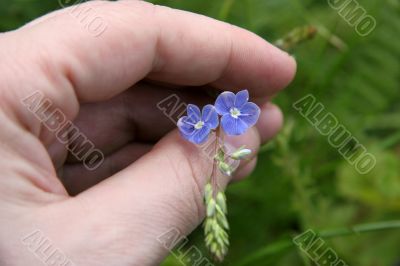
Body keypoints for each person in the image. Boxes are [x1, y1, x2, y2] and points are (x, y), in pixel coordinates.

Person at [0, 1, 296, 265]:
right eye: (232, 111)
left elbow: (233, 114)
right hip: (203, 124)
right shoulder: (213, 117)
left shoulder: (229, 113)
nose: (234, 113)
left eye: (235, 112)